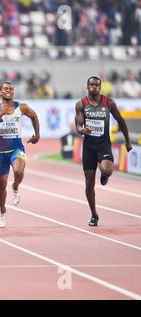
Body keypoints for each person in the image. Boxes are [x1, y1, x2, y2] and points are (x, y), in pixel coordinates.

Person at [74, 76, 132, 227]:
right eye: (91, 85)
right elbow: (78, 126)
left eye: (96, 85)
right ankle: (94, 214)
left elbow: (121, 120)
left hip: (103, 144)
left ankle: (105, 176)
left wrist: (127, 141)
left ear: (100, 87)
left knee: (106, 170)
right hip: (88, 147)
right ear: (87, 87)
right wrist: (83, 130)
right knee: (89, 184)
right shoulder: (81, 104)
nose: (93, 87)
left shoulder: (109, 103)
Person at [0, 81, 40, 228]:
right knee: (1, 185)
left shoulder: (21, 107)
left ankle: (15, 186)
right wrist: (1, 114)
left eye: (11, 89)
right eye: (5, 89)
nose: (8, 90)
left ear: (13, 92)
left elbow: (34, 116)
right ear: (0, 92)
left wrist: (37, 135)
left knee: (18, 171)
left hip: (17, 148)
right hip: (1, 152)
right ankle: (2, 211)